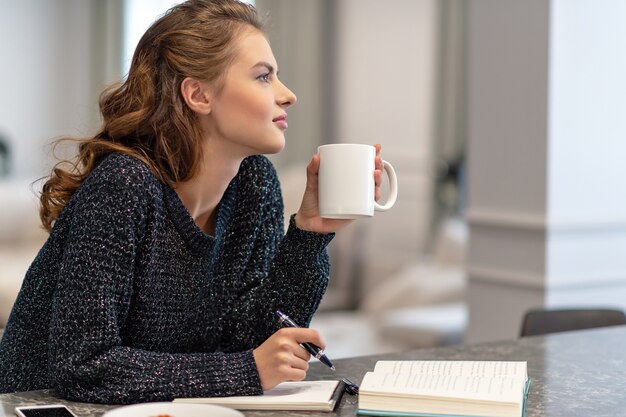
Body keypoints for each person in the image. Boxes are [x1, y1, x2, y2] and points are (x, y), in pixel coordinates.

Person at [0, 0, 384, 405]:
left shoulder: (255, 185)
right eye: (263, 77)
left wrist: (309, 234)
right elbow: (83, 369)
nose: (287, 95)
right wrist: (247, 369)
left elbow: (250, 341)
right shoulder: (123, 187)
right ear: (198, 94)